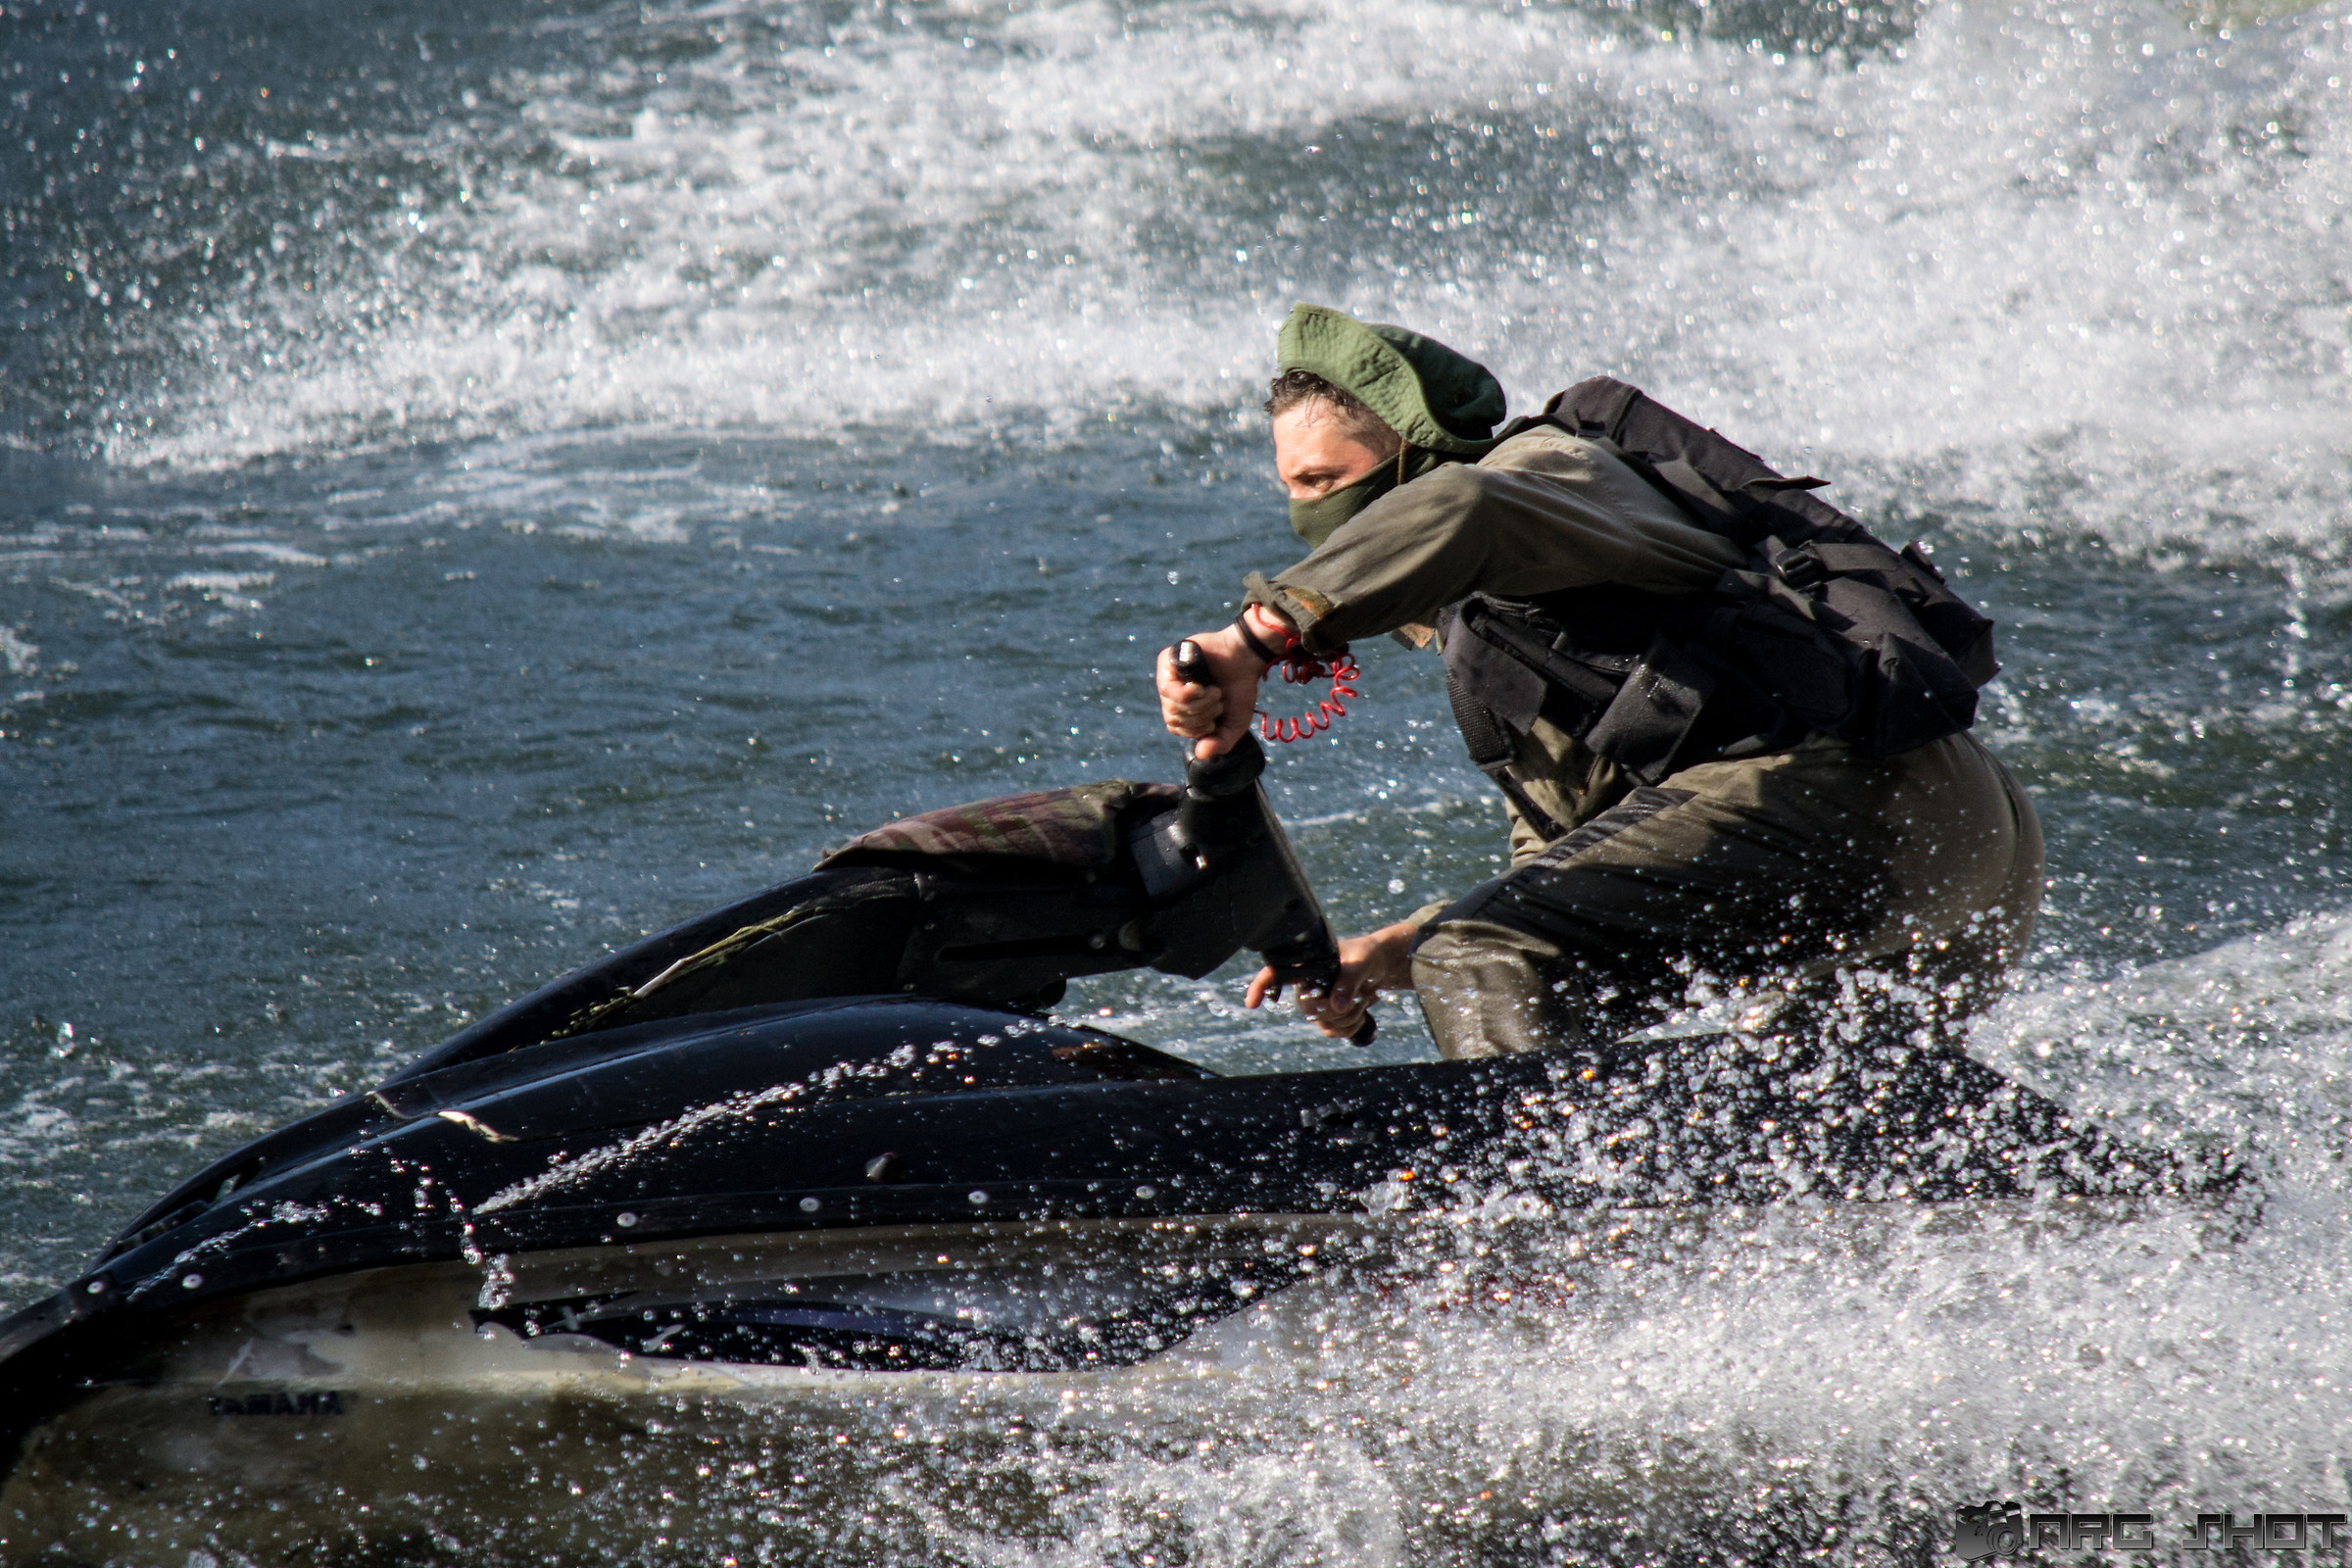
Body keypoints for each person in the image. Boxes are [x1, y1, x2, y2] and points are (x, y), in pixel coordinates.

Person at [1156, 304, 2043, 1059]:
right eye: (1293, 489)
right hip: (1962, 840)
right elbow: (1570, 855)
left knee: (1478, 958)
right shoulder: (1492, 626)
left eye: (1324, 481)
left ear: (1411, 456)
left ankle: (1522, 1206)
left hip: (1855, 801)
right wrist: (1398, 948)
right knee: (1814, 1105)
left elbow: (1465, 508)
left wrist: (1258, 636)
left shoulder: (1537, 475)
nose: (1309, 516)